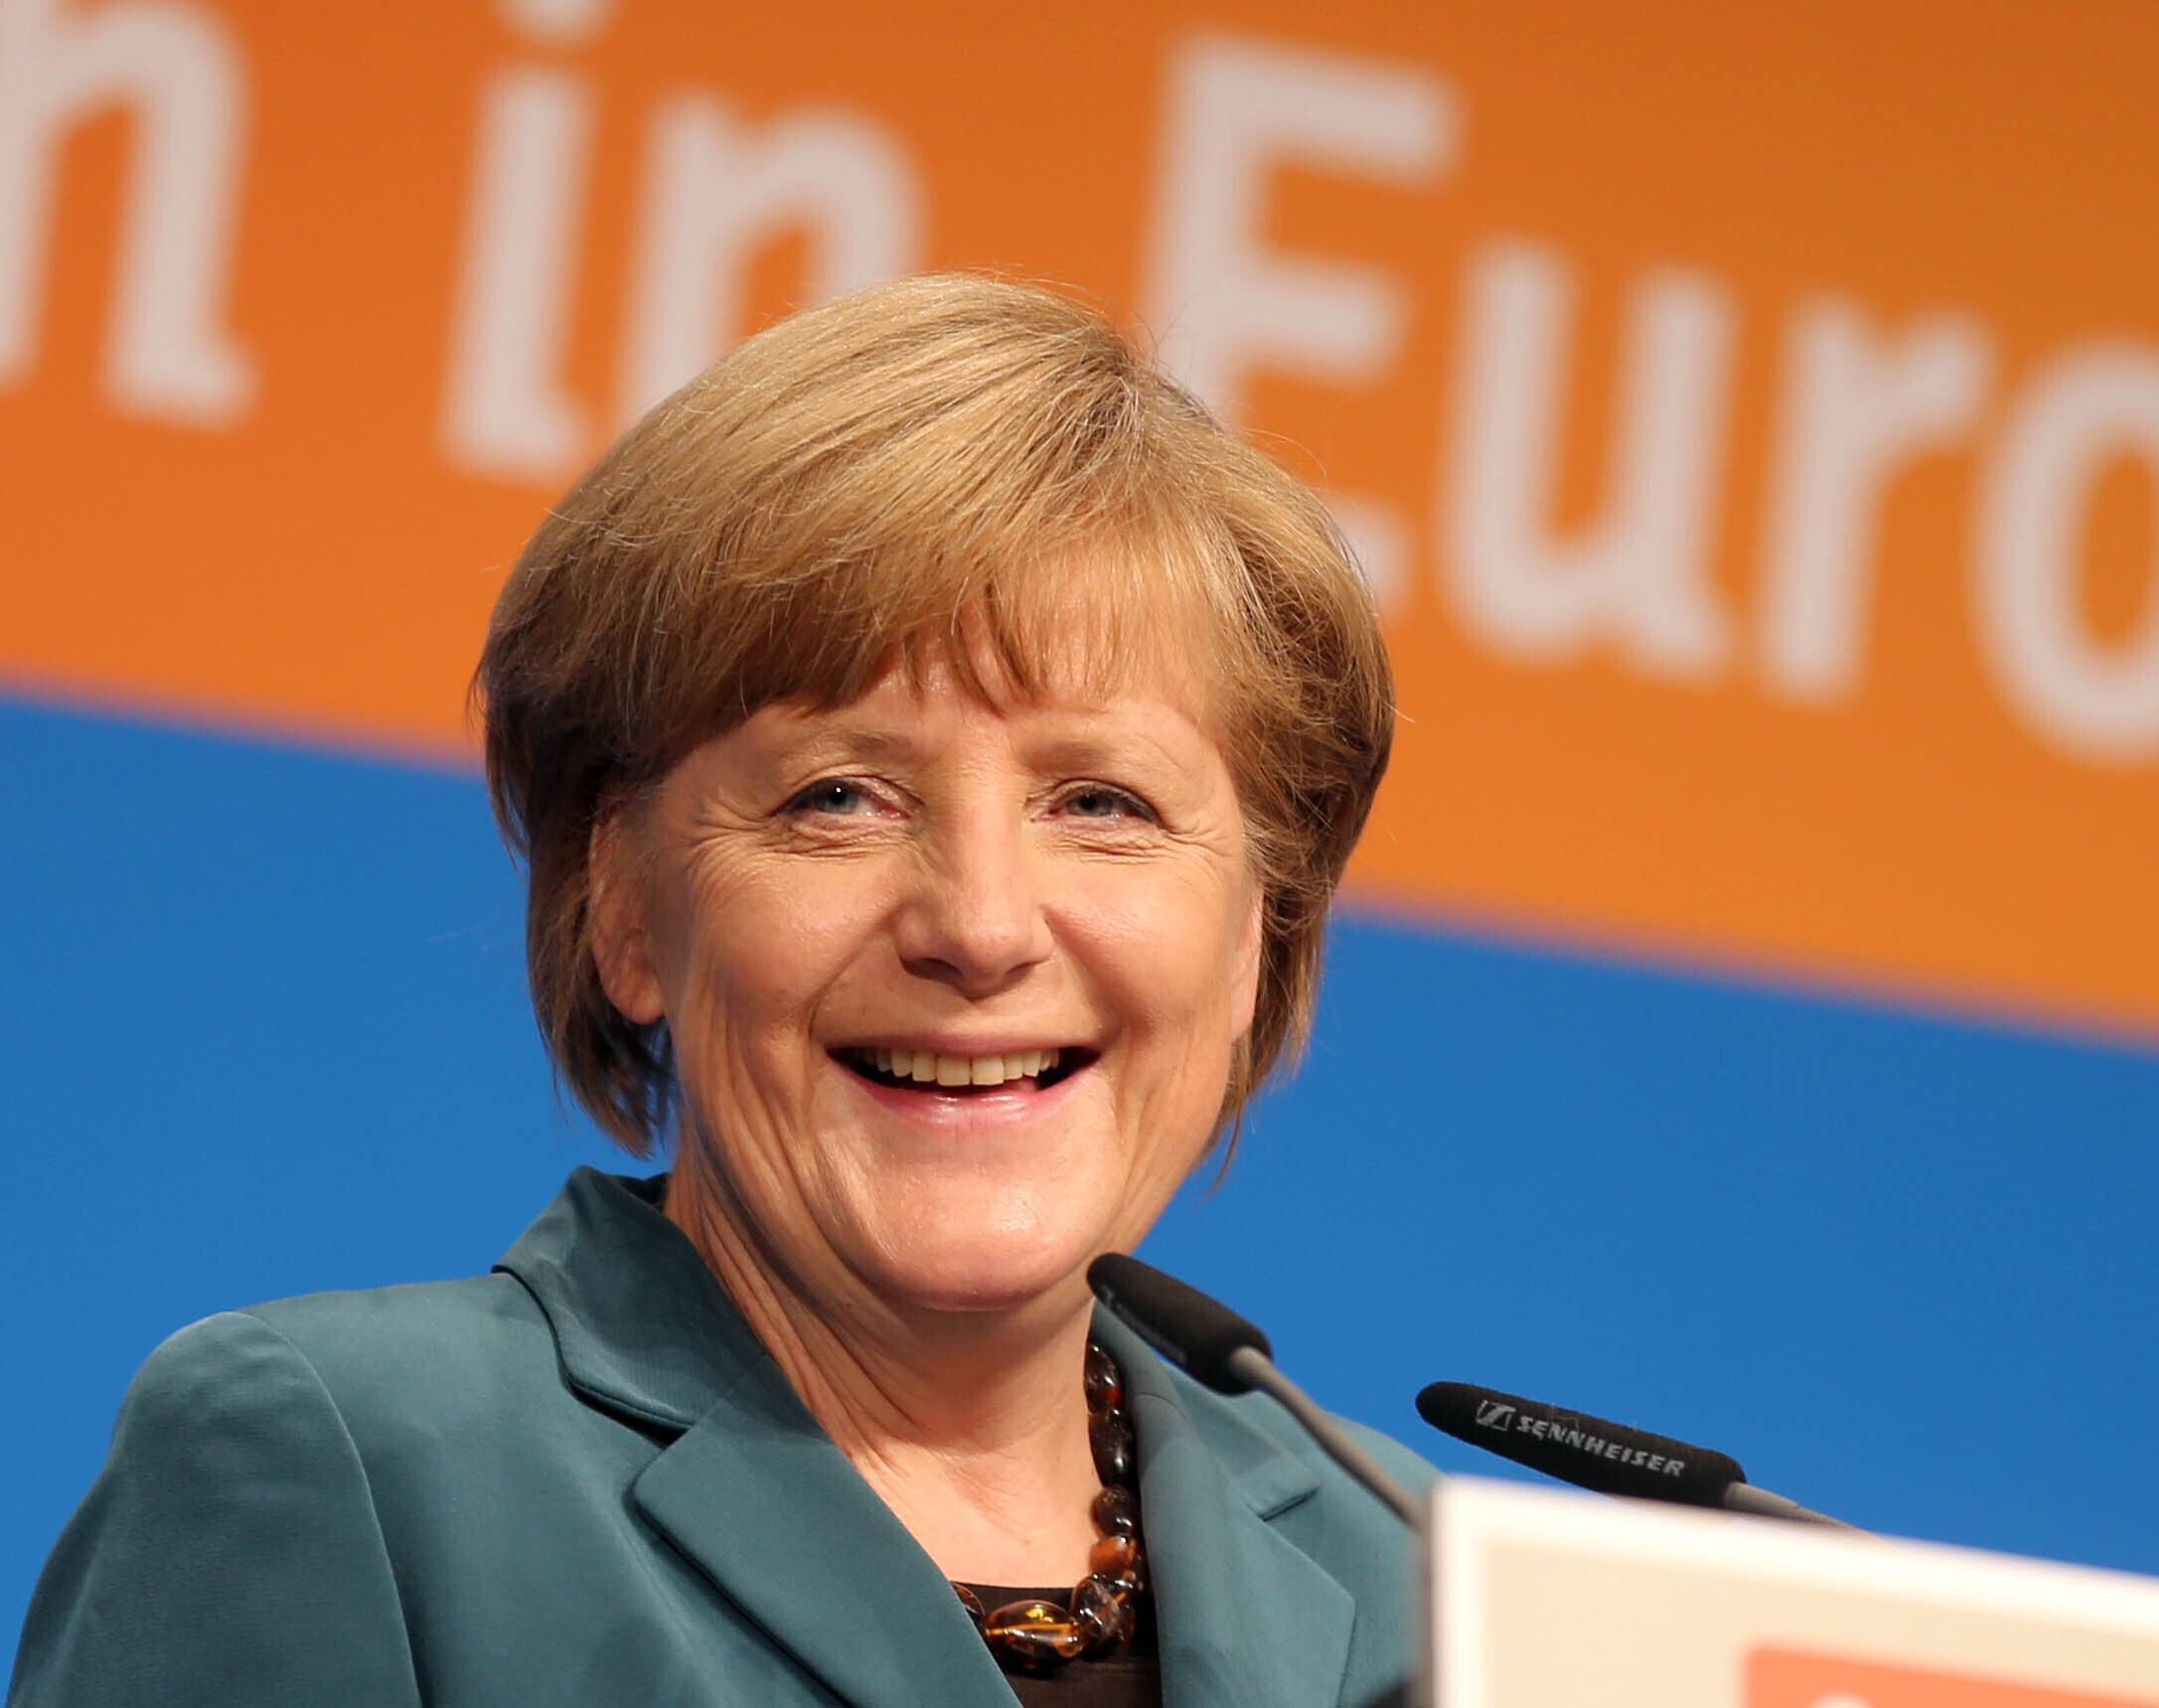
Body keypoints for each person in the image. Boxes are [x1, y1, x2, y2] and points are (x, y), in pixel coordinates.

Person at [8, 273, 1431, 1707]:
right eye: (841, 797)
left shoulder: (1417, 1578)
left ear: (1261, 927)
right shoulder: (359, 1477)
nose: (982, 925)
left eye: (1104, 803)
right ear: (621, 902)